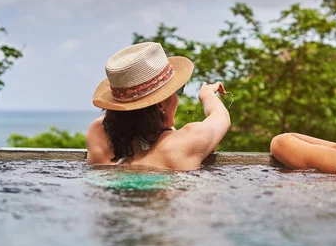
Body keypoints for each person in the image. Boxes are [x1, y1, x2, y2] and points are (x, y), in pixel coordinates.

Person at [86, 42, 230, 170]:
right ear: (161, 105)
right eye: (178, 91)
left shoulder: (97, 133)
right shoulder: (184, 143)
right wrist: (208, 94)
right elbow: (221, 117)